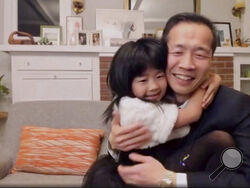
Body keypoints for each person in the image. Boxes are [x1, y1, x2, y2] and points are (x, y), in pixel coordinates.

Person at [108, 12, 250, 187]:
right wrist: (114, 144)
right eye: (177, 51)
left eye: (200, 55)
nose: (187, 64)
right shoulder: (144, 94)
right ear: (161, 54)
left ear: (211, 59)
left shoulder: (238, 106)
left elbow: (245, 179)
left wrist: (170, 180)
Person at [83, 38, 222, 187]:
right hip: (141, 171)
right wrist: (204, 82)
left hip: (157, 162)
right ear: (126, 82)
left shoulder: (156, 99)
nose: (154, 86)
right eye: (143, 80)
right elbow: (192, 114)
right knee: (218, 139)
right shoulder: (135, 109)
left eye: (159, 76)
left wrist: (214, 78)